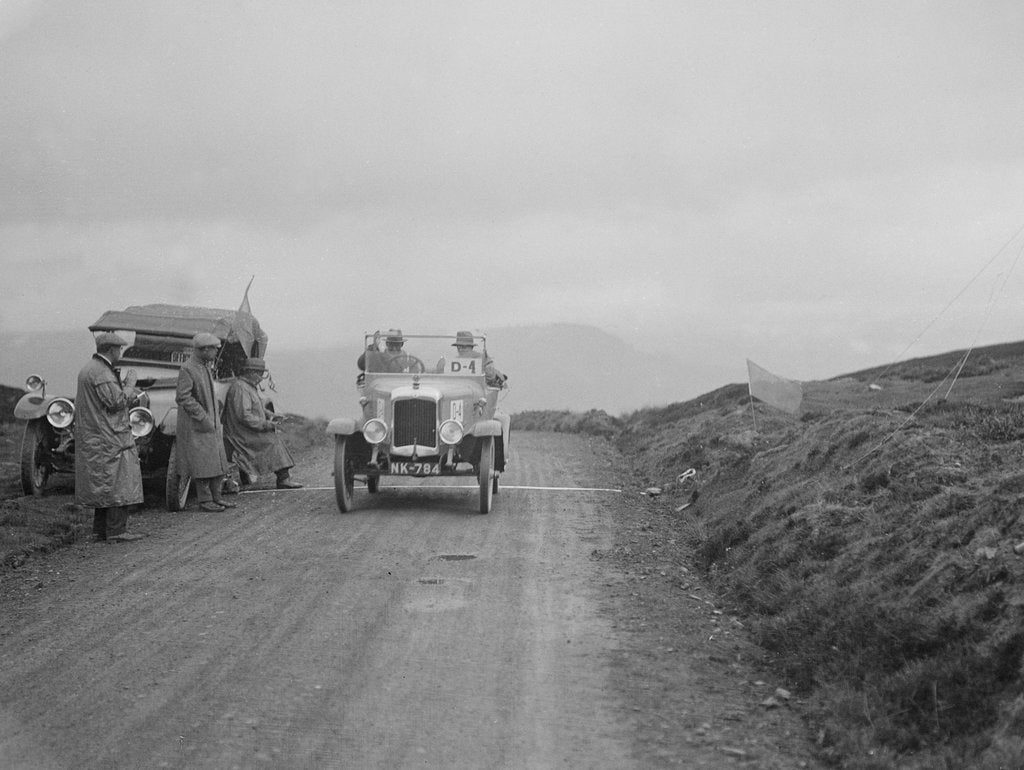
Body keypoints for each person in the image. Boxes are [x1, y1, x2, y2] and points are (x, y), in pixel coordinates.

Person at [75, 332, 146, 542]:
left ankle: (100, 531)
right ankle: (117, 531)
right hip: (109, 436)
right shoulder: (102, 373)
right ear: (111, 349)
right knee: (118, 482)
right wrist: (130, 385)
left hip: (97, 434)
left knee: (103, 484)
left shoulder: (90, 369)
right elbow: (116, 402)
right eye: (119, 349)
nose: (120, 353)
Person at [222, 358, 302, 490]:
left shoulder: (247, 387)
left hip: (246, 430)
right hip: (241, 434)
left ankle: (284, 477)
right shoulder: (241, 388)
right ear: (251, 372)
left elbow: (257, 406)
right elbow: (244, 416)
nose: (261, 378)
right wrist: (265, 425)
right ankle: (283, 479)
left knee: (272, 438)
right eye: (259, 374)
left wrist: (270, 415)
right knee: (272, 441)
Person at [175, 332, 234, 512]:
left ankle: (217, 497)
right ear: (205, 349)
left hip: (210, 422)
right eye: (215, 349)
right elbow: (182, 397)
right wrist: (202, 416)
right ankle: (205, 500)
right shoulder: (188, 368)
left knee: (217, 460)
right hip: (198, 424)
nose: (217, 352)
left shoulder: (204, 366)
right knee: (203, 463)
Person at [436, 330, 508, 388]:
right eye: (459, 347)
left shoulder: (482, 358)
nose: (460, 349)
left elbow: (491, 375)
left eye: (462, 347)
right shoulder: (451, 361)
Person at [357, 329, 423, 373]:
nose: (394, 348)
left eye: (397, 344)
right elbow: (361, 365)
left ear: (401, 344)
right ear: (387, 343)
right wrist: (372, 347)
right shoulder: (379, 357)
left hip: (404, 387)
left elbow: (416, 375)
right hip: (383, 385)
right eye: (391, 344)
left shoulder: (409, 359)